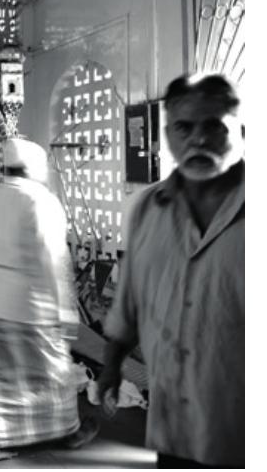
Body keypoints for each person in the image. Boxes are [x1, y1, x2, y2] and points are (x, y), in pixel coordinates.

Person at [97, 73, 244, 468]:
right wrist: (111, 367)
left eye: (213, 125)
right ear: (167, 134)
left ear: (240, 128)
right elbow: (129, 303)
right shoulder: (149, 209)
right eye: (184, 127)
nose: (198, 140)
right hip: (175, 428)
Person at [0, 138, 98, 466]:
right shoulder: (40, 200)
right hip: (32, 304)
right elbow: (51, 259)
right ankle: (68, 430)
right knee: (53, 369)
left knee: (0, 379)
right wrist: (63, 308)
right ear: (33, 168)